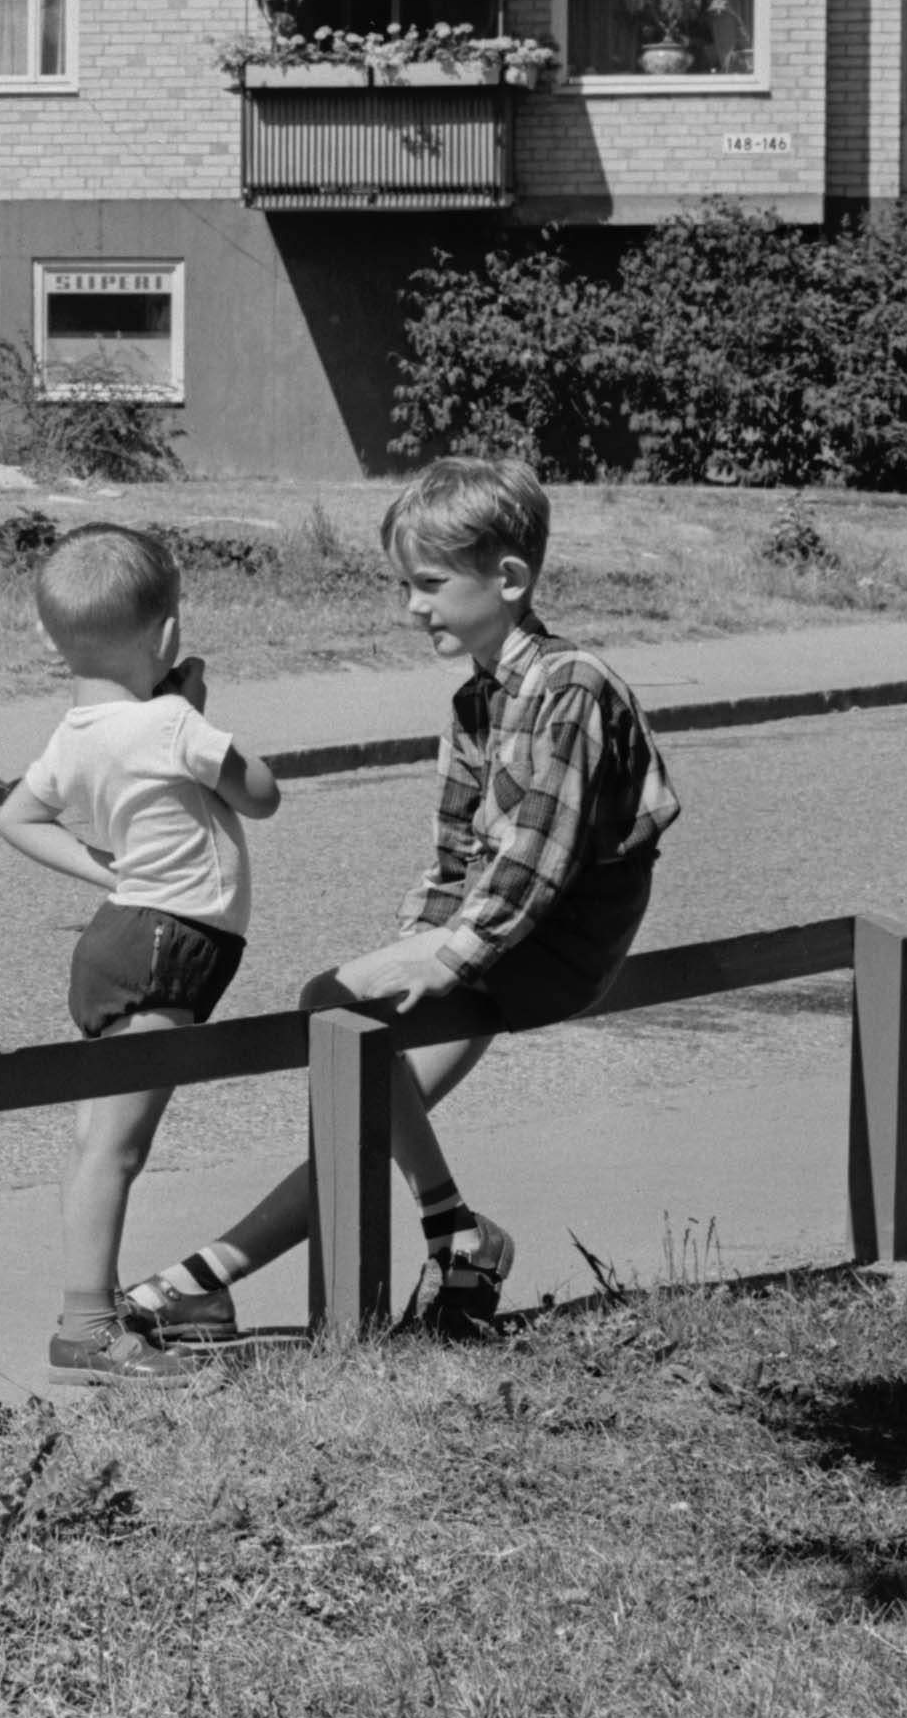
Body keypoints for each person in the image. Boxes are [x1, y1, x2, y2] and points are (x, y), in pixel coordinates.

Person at [122, 455, 682, 1348]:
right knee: (363, 1081)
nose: (411, 607)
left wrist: (444, 956)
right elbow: (455, 852)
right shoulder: (475, 700)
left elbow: (540, 860)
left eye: (428, 584)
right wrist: (418, 942)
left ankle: (442, 1226)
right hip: (498, 937)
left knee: (332, 1007)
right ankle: (222, 1277)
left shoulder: (572, 686)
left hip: (557, 941)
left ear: (508, 579)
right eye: (404, 585)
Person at [0, 519, 279, 1377]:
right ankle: (86, 1327)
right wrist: (195, 718)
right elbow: (262, 795)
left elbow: (17, 819)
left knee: (97, 1144)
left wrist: (103, 869)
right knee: (118, 1146)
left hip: (121, 936)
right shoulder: (169, 725)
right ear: (168, 635)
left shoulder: (72, 737)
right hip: (168, 945)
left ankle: (94, 1304)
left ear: (52, 638)